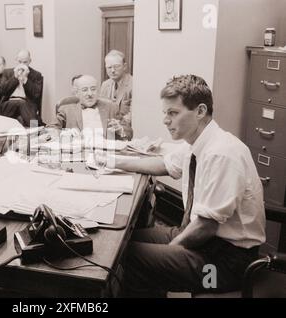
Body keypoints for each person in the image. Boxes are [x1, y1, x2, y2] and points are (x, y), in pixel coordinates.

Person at [98, 75, 266, 296]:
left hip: (224, 266)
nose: (165, 120)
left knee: (131, 259)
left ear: (200, 111)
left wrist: (167, 253)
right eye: (165, 113)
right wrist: (111, 161)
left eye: (173, 113)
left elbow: (206, 227)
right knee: (121, 241)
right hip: (207, 242)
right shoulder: (199, 143)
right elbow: (163, 164)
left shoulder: (222, 154)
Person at [49, 75, 132, 140]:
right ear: (77, 93)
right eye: (85, 90)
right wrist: (64, 133)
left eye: (93, 89)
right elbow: (50, 130)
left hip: (105, 154)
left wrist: (120, 129)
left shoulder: (111, 108)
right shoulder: (66, 110)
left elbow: (129, 133)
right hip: (78, 154)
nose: (90, 94)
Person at [0, 49, 43, 127]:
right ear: (16, 60)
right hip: (8, 104)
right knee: (20, 103)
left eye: (25, 62)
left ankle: (34, 130)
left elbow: (36, 95)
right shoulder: (7, 72)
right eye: (19, 62)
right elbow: (2, 91)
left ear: (30, 61)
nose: (22, 65)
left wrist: (26, 79)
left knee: (23, 104)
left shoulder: (36, 75)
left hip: (27, 104)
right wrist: (15, 78)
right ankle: (35, 128)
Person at [100, 50, 132, 117]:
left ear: (124, 66)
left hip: (126, 125)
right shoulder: (105, 85)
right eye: (109, 67)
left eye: (116, 66)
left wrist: (119, 124)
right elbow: (101, 109)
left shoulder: (133, 84)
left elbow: (134, 113)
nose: (113, 70)